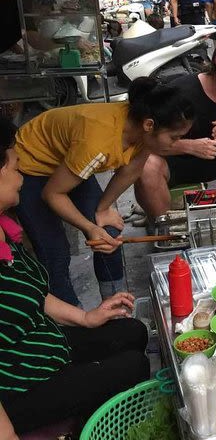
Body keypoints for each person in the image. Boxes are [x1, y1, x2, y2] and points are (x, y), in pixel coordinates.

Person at [0, 120, 149, 437]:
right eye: (14, 167)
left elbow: (35, 295)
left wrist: (86, 317)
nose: (20, 176)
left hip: (45, 346)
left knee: (132, 331)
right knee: (132, 366)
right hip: (20, 386)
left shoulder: (6, 231)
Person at [14, 78, 193, 305]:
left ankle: (116, 306)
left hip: (69, 160)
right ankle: (74, 323)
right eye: (175, 137)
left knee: (108, 231)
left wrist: (103, 209)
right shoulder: (99, 143)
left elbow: (131, 170)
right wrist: (89, 226)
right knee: (55, 252)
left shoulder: (143, 129)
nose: (177, 143)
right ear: (149, 125)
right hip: (31, 164)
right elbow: (52, 194)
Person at [135, 34, 216, 218]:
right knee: (145, 164)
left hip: (212, 159)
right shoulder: (181, 90)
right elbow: (145, 139)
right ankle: (167, 229)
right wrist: (190, 146)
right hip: (172, 163)